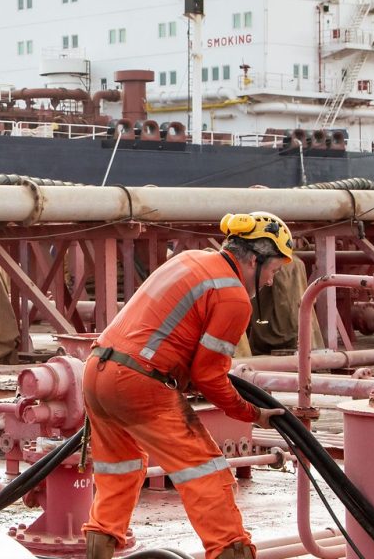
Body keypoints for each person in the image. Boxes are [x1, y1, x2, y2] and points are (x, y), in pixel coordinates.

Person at [81, 211, 294, 559]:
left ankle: (98, 552)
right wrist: (252, 413)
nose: (271, 282)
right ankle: (231, 550)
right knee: (207, 473)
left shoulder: (191, 260)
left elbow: (171, 333)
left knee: (119, 470)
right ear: (256, 259)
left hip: (97, 371)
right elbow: (211, 377)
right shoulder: (233, 297)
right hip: (141, 381)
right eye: (274, 271)